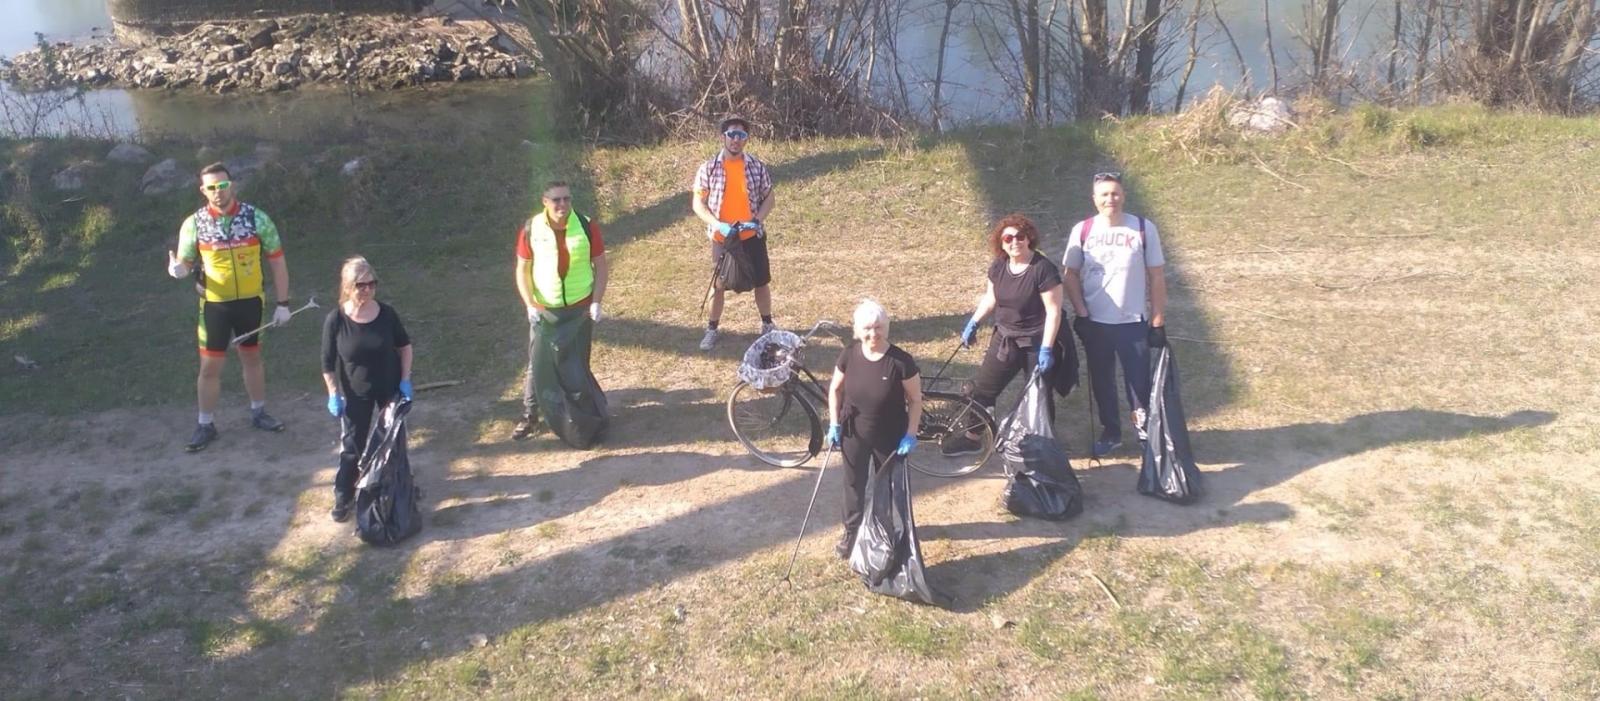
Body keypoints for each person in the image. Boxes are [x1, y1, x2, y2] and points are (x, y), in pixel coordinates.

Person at [165, 162, 292, 453]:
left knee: (252, 358)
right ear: (203, 191)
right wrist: (179, 269)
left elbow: (277, 262)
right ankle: (205, 424)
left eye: (222, 186)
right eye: (211, 187)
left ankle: (259, 412)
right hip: (215, 306)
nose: (218, 192)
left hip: (250, 302)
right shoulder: (194, 223)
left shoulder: (256, 218)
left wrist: (283, 303)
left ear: (232, 185)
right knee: (210, 366)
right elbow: (184, 261)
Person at [1063, 172, 1168, 458]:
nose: (1110, 199)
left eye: (1115, 193)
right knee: (1102, 381)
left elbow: (1157, 276)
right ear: (1094, 199)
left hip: (1133, 323)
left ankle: (1144, 432)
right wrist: (1082, 313)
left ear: (1123, 195)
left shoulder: (1143, 229)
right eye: (1104, 194)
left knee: (1138, 382)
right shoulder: (1082, 230)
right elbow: (1070, 275)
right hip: (1097, 324)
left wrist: (1157, 320)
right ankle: (1111, 433)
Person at [947, 214, 1069, 455]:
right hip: (1005, 339)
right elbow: (991, 298)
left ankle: (1043, 445)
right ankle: (973, 438)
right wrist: (974, 322)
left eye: (1020, 237)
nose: (1015, 242)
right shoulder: (999, 266)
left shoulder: (1043, 269)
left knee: (1038, 395)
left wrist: (1046, 348)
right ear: (1001, 243)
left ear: (1029, 239)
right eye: (1008, 238)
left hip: (1037, 342)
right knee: (983, 389)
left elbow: (1054, 312)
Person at [511, 180, 610, 445]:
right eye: (556, 200)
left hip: (579, 310)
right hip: (545, 310)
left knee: (577, 362)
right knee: (537, 362)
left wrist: (596, 301)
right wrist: (530, 304)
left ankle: (581, 413)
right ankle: (530, 415)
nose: (563, 204)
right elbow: (522, 270)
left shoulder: (587, 225)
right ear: (545, 202)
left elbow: (600, 266)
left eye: (567, 198)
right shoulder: (532, 228)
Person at [826, 300, 923, 559]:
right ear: (858, 330)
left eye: (878, 327)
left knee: (887, 486)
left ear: (886, 327)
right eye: (867, 328)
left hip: (889, 435)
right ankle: (852, 531)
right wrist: (834, 423)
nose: (873, 334)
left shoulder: (901, 361)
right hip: (853, 432)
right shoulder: (849, 354)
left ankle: (884, 530)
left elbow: (915, 400)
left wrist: (910, 435)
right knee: (853, 484)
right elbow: (835, 389)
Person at [321, 257, 413, 522]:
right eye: (361, 285)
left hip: (389, 387)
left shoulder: (386, 313)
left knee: (393, 442)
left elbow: (404, 346)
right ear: (348, 287)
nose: (368, 290)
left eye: (372, 284)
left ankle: (399, 485)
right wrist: (333, 393)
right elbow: (327, 363)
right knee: (353, 444)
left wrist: (405, 380)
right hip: (355, 392)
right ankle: (344, 493)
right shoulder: (336, 320)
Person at [691, 115, 777, 351]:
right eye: (731, 135)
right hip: (723, 239)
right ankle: (712, 329)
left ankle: (768, 325)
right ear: (723, 138)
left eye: (741, 136)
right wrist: (717, 224)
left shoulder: (756, 166)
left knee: (761, 281)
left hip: (751, 236)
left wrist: (757, 220)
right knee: (718, 285)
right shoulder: (708, 168)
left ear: (746, 140)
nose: (736, 140)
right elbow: (698, 204)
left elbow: (769, 197)